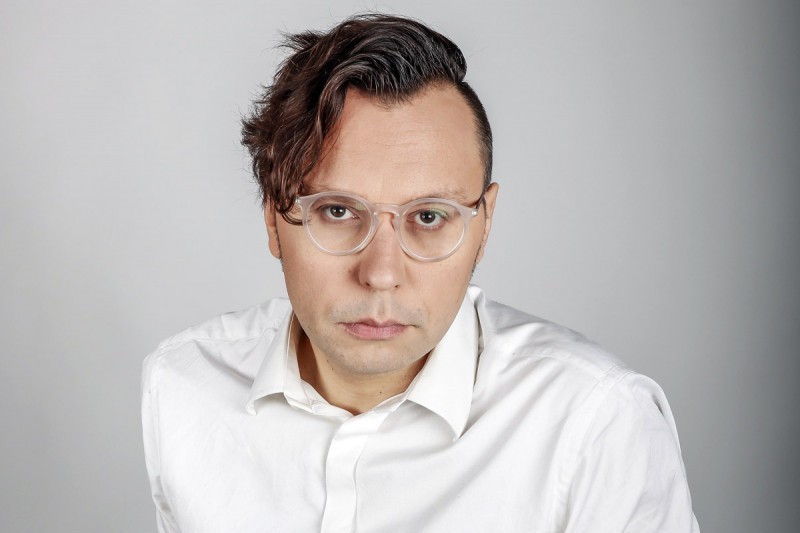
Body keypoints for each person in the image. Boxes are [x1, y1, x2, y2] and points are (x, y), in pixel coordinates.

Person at [141, 13, 699, 533]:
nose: (381, 274)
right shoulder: (183, 388)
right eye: (337, 211)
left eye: (429, 216)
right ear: (272, 219)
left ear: (484, 224)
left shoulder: (596, 424)